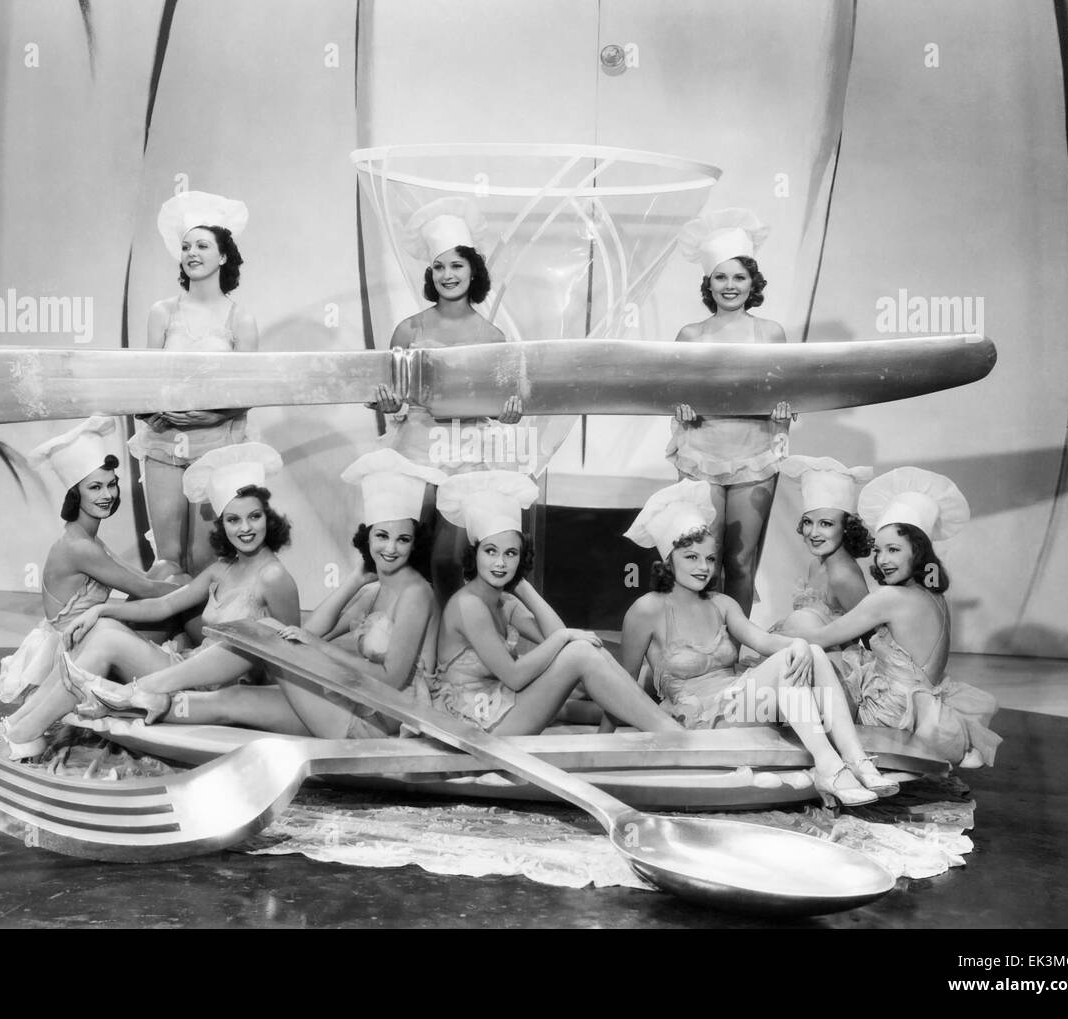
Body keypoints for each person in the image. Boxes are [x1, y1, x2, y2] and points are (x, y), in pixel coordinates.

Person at [68, 449, 444, 740]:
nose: (390, 549)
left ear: (416, 543)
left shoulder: (415, 593)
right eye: (381, 536)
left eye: (403, 539)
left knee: (261, 631)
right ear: (368, 537)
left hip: (374, 719)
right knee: (229, 702)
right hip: (345, 699)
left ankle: (145, 688)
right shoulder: (374, 588)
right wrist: (355, 579)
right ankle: (121, 706)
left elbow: (391, 680)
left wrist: (315, 645)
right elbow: (312, 629)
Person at [0, 443, 298, 759]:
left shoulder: (273, 577)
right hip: (188, 669)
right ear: (222, 525)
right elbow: (164, 606)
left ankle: (23, 735)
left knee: (106, 639)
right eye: (233, 519)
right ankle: (20, 729)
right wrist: (101, 608)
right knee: (102, 628)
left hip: (208, 692)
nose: (245, 528)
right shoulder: (222, 569)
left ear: (268, 517)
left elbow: (291, 661)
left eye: (254, 517)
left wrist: (252, 704)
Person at [620, 479, 899, 807]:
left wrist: (795, 646)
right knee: (794, 656)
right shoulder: (647, 609)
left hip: (741, 703)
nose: (704, 568)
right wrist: (603, 742)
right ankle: (830, 766)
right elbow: (622, 685)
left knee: (808, 651)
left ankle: (856, 760)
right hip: (698, 720)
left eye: (710, 559)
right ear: (669, 559)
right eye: (691, 557)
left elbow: (762, 639)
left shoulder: (721, 603)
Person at [0, 416, 184, 747]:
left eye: (110, 484)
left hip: (83, 637)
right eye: (95, 487)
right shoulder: (81, 548)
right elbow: (147, 590)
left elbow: (143, 580)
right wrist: (205, 591)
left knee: (169, 574)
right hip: (74, 646)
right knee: (176, 586)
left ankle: (4, 732)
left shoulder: (87, 539)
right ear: (75, 494)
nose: (107, 494)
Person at [417, 470, 683, 737]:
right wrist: (565, 637)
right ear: (474, 554)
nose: (500, 563)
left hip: (498, 706)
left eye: (511, 554)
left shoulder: (504, 601)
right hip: (474, 724)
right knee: (580, 653)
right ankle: (673, 735)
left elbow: (558, 638)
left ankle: (665, 728)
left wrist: (523, 585)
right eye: (490, 551)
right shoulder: (468, 605)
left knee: (586, 650)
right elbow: (516, 675)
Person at [778, 467, 1002, 768]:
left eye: (894, 550)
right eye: (879, 551)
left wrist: (749, 632)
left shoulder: (890, 599)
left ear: (917, 551)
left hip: (888, 714)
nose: (882, 560)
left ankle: (815, 763)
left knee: (798, 647)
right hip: (912, 704)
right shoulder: (934, 594)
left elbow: (818, 638)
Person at [370, 198, 524, 602]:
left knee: (450, 558)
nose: (447, 275)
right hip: (415, 451)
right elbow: (391, 396)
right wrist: (390, 406)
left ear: (473, 269)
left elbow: (502, 403)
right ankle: (411, 642)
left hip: (469, 453)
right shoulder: (409, 329)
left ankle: (449, 639)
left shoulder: (493, 337)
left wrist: (508, 416)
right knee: (408, 551)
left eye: (456, 265)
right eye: (438, 266)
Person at [667, 208, 792, 617]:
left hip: (755, 453)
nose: (730, 285)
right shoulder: (691, 334)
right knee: (703, 559)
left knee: (740, 562)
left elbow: (786, 392)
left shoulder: (770, 332)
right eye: (721, 277)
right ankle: (699, 640)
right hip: (701, 452)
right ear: (708, 283)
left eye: (739, 276)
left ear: (753, 281)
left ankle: (734, 650)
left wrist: (785, 410)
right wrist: (680, 409)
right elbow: (673, 394)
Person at [128, 191, 260, 576]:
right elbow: (144, 384)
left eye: (203, 245)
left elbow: (250, 393)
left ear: (222, 255)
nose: (192, 253)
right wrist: (154, 411)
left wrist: (206, 417)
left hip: (218, 445)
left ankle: (203, 637)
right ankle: (165, 637)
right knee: (168, 559)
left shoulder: (240, 319)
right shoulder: (162, 313)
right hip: (164, 443)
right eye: (186, 246)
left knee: (205, 560)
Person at [771, 456, 874, 638]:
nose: (813, 532)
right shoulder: (816, 565)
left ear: (846, 527)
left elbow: (871, 637)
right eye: (808, 522)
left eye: (826, 524)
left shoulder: (843, 577)